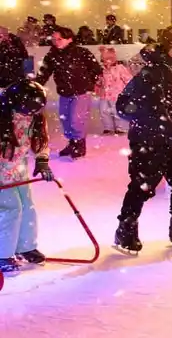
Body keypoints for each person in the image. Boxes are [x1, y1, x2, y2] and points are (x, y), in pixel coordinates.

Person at [113, 25, 172, 254]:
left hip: (168, 136)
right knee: (142, 186)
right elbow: (154, 110)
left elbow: (169, 104)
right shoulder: (154, 70)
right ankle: (126, 230)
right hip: (148, 138)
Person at [0, 79, 55, 276]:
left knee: (27, 206)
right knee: (10, 209)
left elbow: (41, 139)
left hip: (18, 169)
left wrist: (42, 160)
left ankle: (25, 246)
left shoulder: (35, 117)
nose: (30, 115)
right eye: (27, 110)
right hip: (0, 172)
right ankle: (3, 253)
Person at [35, 26, 102, 159]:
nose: (56, 42)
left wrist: (89, 84)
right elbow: (44, 72)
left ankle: (79, 145)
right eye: (54, 39)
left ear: (69, 39)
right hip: (64, 92)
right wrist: (36, 85)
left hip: (81, 91)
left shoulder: (82, 52)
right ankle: (72, 143)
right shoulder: (52, 55)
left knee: (77, 119)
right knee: (65, 119)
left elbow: (96, 69)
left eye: (59, 39)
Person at [96, 49, 132, 136]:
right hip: (104, 95)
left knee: (117, 111)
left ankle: (121, 127)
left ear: (112, 59)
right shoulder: (102, 70)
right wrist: (98, 82)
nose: (104, 62)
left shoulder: (120, 68)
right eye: (102, 60)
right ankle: (108, 127)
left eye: (106, 60)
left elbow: (128, 79)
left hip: (117, 94)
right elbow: (100, 81)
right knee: (104, 110)